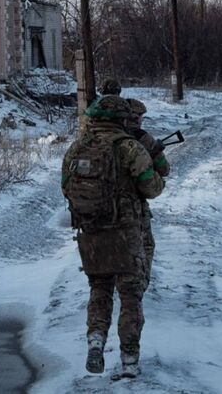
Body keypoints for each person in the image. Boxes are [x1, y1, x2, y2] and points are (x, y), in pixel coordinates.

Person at [61, 94, 164, 378]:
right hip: (126, 234)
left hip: (92, 232)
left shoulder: (77, 148)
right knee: (130, 296)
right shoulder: (129, 147)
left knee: (100, 289)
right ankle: (129, 359)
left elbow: (66, 186)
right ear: (122, 119)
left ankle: (95, 342)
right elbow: (152, 188)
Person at [126, 98, 170, 290]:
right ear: (136, 118)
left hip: (99, 209)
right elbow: (164, 169)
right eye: (140, 116)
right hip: (133, 207)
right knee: (145, 246)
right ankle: (137, 290)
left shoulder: (95, 138)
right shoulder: (142, 138)